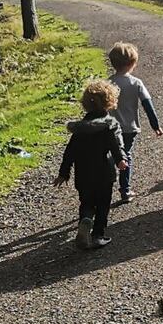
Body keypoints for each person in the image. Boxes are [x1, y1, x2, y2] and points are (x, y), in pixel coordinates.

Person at [54, 80, 129, 249]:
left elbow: (69, 152)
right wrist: (121, 160)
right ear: (110, 102)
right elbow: (115, 145)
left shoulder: (79, 130)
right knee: (103, 204)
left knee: (86, 202)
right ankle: (97, 236)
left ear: (85, 104)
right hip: (104, 172)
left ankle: (85, 221)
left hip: (83, 174)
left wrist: (63, 173)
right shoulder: (108, 126)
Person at [108, 42, 163, 204]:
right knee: (126, 156)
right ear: (132, 63)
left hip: (110, 128)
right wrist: (155, 126)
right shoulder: (136, 83)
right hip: (129, 128)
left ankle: (106, 183)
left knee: (110, 154)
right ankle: (125, 190)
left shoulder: (108, 83)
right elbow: (148, 105)